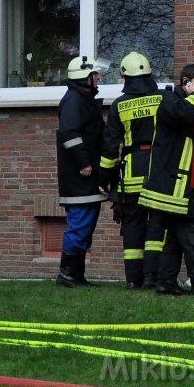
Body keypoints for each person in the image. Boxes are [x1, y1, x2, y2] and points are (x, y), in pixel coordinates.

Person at [139, 63, 194, 297]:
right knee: (193, 233)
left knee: (175, 239)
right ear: (185, 82)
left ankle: (166, 282)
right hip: (174, 186)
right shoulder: (168, 100)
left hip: (189, 184)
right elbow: (184, 114)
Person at [99, 51, 166, 289]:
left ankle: (132, 280)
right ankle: (151, 277)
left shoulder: (119, 105)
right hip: (159, 171)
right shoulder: (162, 99)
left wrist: (105, 177)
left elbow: (110, 146)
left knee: (133, 226)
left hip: (131, 173)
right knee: (157, 225)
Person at [55, 54, 109, 288]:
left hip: (87, 175)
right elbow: (69, 133)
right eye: (94, 74)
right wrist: (84, 163)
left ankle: (76, 275)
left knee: (86, 225)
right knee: (79, 224)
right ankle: (67, 275)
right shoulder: (74, 101)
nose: (97, 78)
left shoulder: (82, 99)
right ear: (84, 77)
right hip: (79, 176)